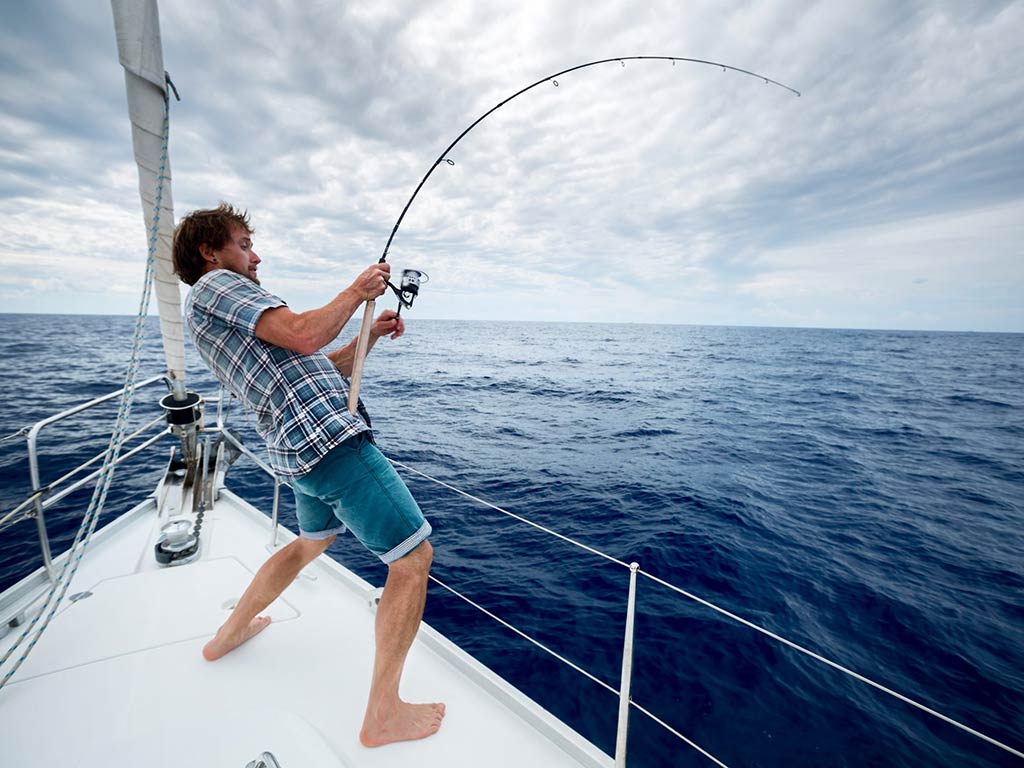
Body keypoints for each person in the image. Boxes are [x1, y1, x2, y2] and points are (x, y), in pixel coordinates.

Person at [172, 202, 444, 747]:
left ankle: (228, 636)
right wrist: (356, 291)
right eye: (245, 243)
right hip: (329, 442)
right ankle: (383, 713)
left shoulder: (211, 311)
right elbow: (302, 334)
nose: (255, 255)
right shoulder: (216, 287)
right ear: (210, 251)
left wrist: (364, 338)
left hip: (297, 453)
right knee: (413, 559)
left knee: (308, 544)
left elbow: (316, 363)